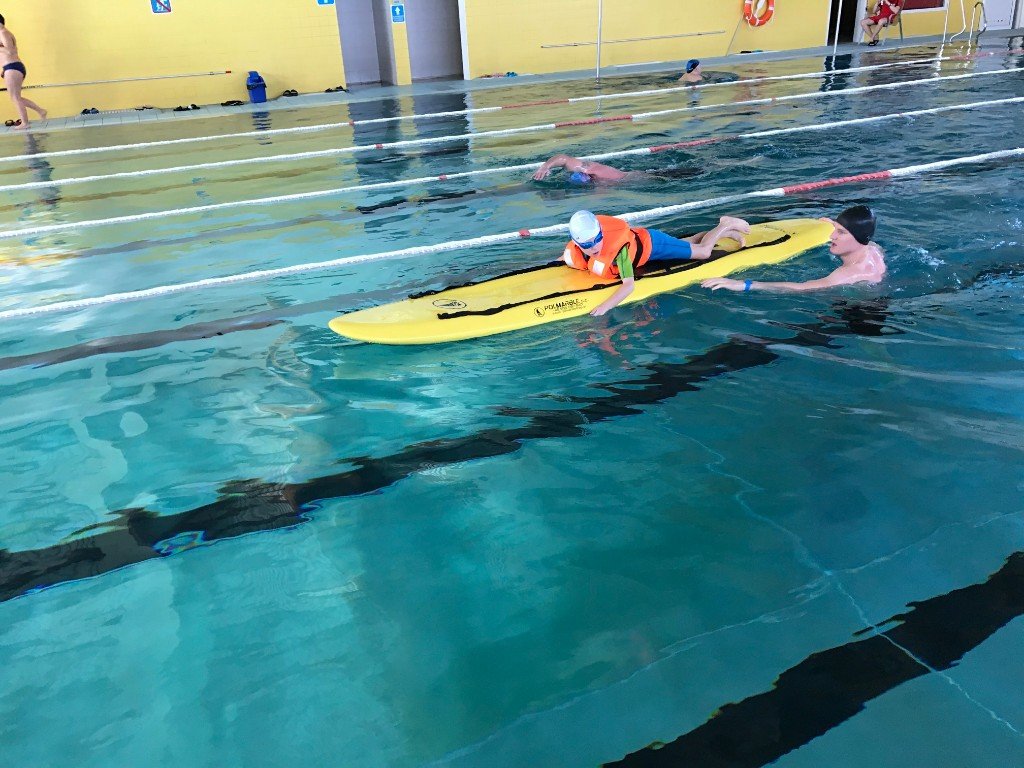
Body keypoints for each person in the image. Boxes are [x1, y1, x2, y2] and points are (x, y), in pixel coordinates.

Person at [562, 210, 751, 316]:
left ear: (601, 233)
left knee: (703, 251)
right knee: (690, 243)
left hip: (654, 245)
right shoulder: (578, 249)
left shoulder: (619, 250)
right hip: (647, 249)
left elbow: (628, 286)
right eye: (587, 244)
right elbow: (566, 257)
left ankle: (725, 224)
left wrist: (605, 307)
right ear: (577, 244)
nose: (595, 247)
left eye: (597, 239)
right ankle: (725, 233)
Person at [700, 206, 886, 294]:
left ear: (858, 238)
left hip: (856, 315)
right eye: (835, 228)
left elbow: (803, 288)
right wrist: (834, 223)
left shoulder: (848, 274)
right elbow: (863, 236)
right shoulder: (873, 250)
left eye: (841, 232)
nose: (832, 235)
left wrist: (746, 284)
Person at [532, 154, 701, 185]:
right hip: (630, 179)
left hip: (640, 177)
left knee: (691, 174)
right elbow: (562, 159)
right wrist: (546, 166)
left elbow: (564, 158)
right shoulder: (588, 175)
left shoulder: (591, 169)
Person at [0, 13, 45, 129]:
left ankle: (25, 123)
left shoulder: (3, 33)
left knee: (15, 98)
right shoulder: (3, 33)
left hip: (12, 67)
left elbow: (10, 51)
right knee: (16, 97)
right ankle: (41, 111)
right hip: (11, 67)